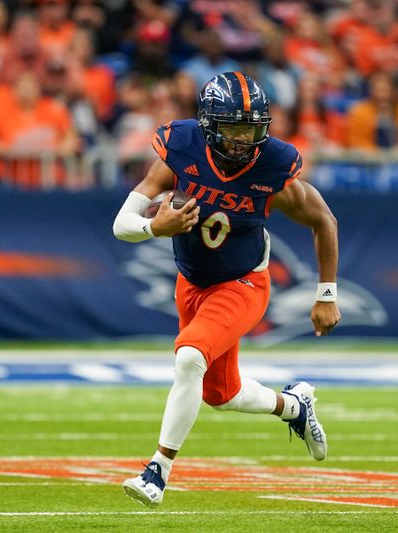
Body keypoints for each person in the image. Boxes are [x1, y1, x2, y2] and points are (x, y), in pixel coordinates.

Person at [112, 71, 340, 508]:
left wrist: (326, 292)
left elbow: (323, 220)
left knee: (190, 357)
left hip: (242, 281)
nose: (241, 140)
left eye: (251, 130)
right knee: (221, 393)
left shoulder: (273, 168)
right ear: (208, 125)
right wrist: (154, 227)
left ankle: (157, 471)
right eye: (233, 128)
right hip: (192, 279)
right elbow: (122, 225)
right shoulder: (181, 150)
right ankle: (294, 406)